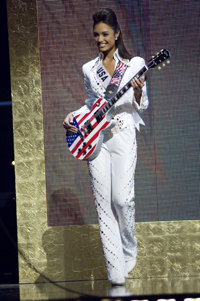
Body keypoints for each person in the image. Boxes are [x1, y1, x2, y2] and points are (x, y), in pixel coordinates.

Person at [63, 8, 149, 286]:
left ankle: (129, 247)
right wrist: (73, 117)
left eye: (104, 34)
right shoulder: (89, 68)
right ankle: (115, 271)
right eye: (96, 35)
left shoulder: (133, 64)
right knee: (103, 205)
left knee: (121, 200)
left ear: (117, 34)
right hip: (96, 140)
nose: (100, 39)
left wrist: (136, 90)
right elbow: (91, 105)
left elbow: (143, 104)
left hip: (123, 135)